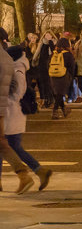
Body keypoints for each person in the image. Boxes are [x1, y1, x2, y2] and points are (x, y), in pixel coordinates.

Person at [4, 45, 51, 192]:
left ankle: (34, 173)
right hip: (10, 114)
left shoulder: (18, 70)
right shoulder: (17, 68)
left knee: (9, 147)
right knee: (10, 148)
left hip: (12, 114)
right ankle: (39, 171)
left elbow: (16, 93)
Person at [48, 37, 76, 119]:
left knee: (58, 94)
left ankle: (64, 109)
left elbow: (48, 64)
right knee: (60, 94)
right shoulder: (68, 54)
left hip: (53, 76)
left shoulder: (54, 54)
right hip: (63, 75)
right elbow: (72, 67)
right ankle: (55, 111)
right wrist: (71, 77)